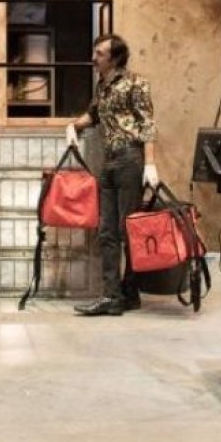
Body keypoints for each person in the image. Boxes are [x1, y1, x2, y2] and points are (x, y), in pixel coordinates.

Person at [66, 34, 159, 317]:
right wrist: (73, 126)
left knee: (128, 229)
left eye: (100, 54)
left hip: (130, 159)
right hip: (109, 161)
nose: (94, 58)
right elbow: (93, 115)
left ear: (115, 58)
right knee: (108, 231)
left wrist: (150, 163)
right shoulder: (103, 85)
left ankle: (125, 293)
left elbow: (147, 124)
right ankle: (115, 295)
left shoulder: (136, 83)